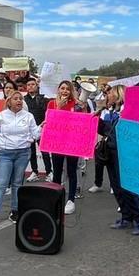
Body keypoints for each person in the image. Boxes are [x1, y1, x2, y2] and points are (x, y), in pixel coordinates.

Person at [0, 88, 41, 228]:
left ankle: (14, 210)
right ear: (8, 102)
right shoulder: (0, 116)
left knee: (17, 183)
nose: (19, 101)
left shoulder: (28, 116)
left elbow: (36, 134)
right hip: (5, 153)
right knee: (2, 183)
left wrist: (36, 134)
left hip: (22, 153)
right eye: (15, 99)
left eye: (21, 99)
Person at [98, 86, 139, 236]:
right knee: (117, 187)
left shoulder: (128, 111)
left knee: (127, 188)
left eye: (111, 93)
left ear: (118, 94)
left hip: (125, 154)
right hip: (111, 152)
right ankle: (126, 217)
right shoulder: (111, 112)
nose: (108, 95)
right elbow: (106, 131)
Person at [45, 80, 83, 215]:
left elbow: (82, 123)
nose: (65, 91)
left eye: (68, 89)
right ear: (58, 89)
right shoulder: (51, 103)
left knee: (72, 171)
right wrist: (59, 107)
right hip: (57, 142)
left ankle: (71, 200)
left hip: (72, 142)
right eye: (62, 88)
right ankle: (56, 197)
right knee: (57, 171)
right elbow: (49, 122)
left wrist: (81, 107)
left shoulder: (76, 104)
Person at [23, 77, 50, 182]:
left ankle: (49, 172)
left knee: (44, 151)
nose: (30, 86)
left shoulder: (43, 98)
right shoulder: (24, 99)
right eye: (28, 85)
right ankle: (35, 172)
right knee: (31, 152)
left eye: (33, 84)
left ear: (37, 86)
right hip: (28, 129)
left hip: (42, 127)